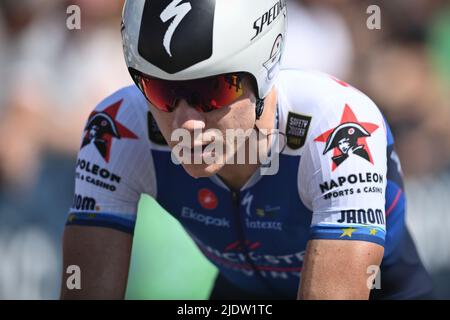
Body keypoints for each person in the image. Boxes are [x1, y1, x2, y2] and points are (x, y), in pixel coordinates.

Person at [60, 0, 433, 300]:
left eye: (212, 92)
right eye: (161, 92)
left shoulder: (337, 126)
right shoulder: (118, 128)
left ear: (265, 72)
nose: (186, 123)